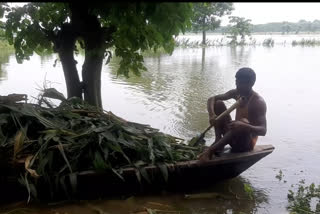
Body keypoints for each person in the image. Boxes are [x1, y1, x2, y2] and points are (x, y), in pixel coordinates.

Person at [198, 67, 267, 162]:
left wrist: (244, 126)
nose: (238, 86)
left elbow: (263, 130)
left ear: (251, 84)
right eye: (237, 82)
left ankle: (211, 151)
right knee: (218, 103)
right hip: (233, 136)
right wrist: (212, 115)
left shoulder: (257, 102)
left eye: (241, 84)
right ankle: (218, 140)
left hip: (245, 144)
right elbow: (211, 99)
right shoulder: (236, 92)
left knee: (243, 122)